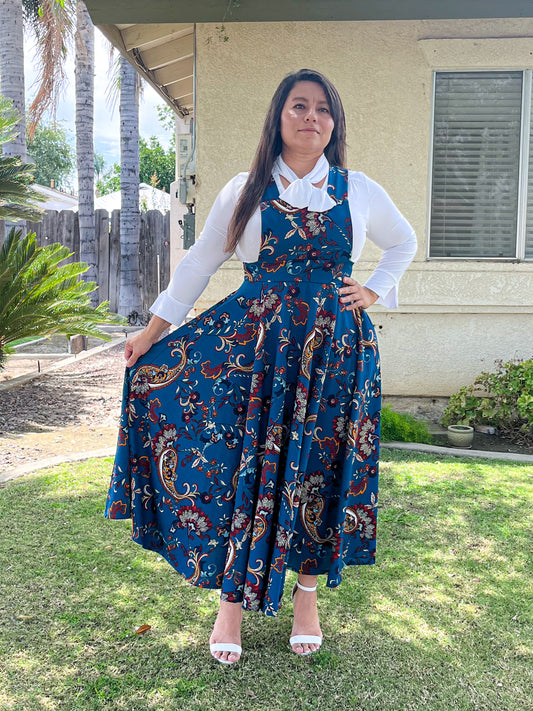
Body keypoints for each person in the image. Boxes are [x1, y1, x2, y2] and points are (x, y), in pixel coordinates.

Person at [105, 68, 417, 665]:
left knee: (317, 473)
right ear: (278, 116)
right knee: (240, 468)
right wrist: (152, 333)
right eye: (299, 106)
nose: (311, 117)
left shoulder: (360, 191)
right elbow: (198, 264)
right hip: (258, 356)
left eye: (323, 110)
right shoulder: (243, 189)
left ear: (335, 124)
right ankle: (231, 604)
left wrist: (376, 290)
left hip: (336, 355)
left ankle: (306, 596)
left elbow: (404, 243)